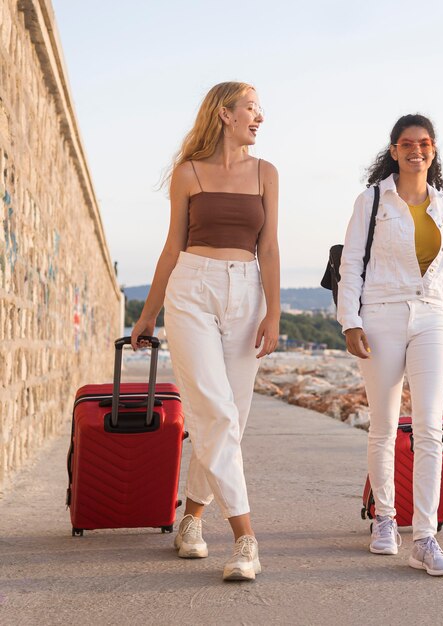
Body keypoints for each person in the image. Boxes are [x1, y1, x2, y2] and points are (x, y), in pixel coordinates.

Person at [131, 81, 279, 581]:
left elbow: (271, 248)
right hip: (191, 288)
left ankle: (190, 519)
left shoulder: (266, 173)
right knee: (215, 413)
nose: (260, 118)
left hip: (247, 293)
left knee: (229, 420)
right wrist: (149, 312)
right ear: (224, 113)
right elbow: (172, 246)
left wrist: (274, 312)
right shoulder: (188, 173)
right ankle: (245, 539)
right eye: (252, 109)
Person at [337, 114, 443, 576]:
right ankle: (385, 520)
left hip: (430, 315)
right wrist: (350, 322)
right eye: (408, 143)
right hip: (381, 314)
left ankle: (426, 537)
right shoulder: (372, 200)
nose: (417, 150)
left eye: (426, 143)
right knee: (385, 423)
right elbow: (352, 263)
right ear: (394, 150)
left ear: (433, 151)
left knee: (430, 428)